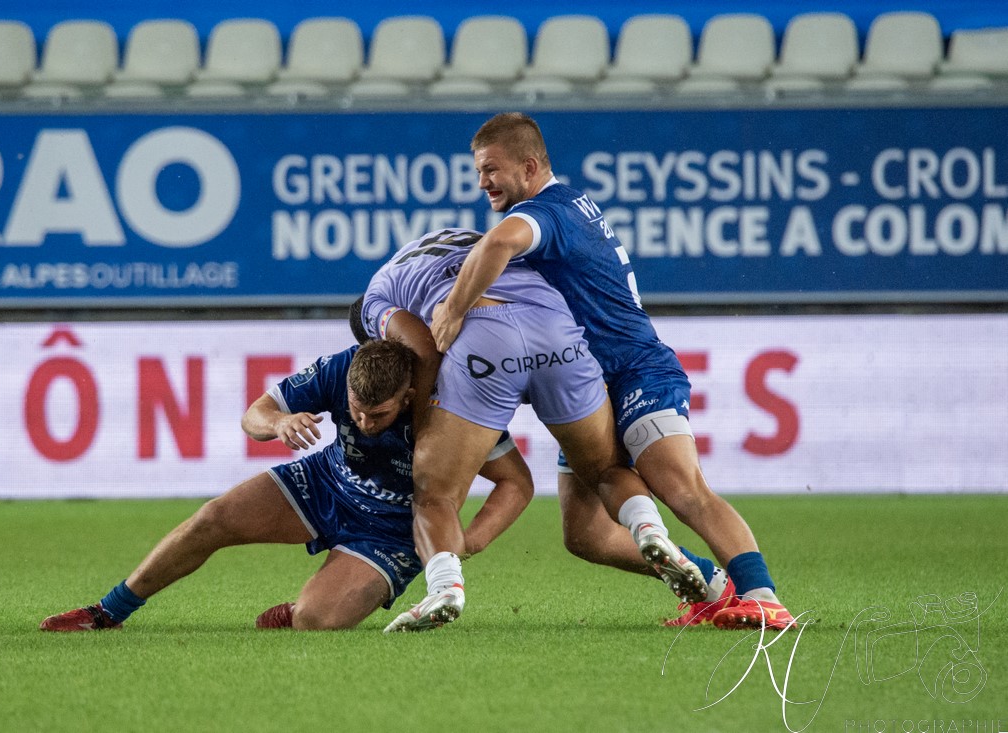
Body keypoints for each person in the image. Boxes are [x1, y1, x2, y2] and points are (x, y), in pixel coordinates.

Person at [430, 112, 796, 631]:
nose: (483, 182)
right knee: (585, 534)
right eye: (478, 171)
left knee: (681, 488)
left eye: (491, 169)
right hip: (585, 385)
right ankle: (712, 587)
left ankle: (763, 597)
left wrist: (453, 310)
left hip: (635, 371)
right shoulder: (568, 204)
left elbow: (496, 243)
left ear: (529, 167)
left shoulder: (546, 212)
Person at [39, 339, 534, 632]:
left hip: (395, 533)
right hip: (326, 481)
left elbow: (516, 483)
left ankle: (299, 611)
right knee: (213, 518)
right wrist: (278, 423)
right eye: (355, 409)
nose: (363, 422)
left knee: (317, 621)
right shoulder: (342, 367)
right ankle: (107, 612)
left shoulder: (456, 411)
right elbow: (254, 414)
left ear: (408, 397)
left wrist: (469, 541)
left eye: (378, 414)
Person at [360, 228, 707, 633]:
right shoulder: (464, 241)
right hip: (556, 330)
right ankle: (648, 527)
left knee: (436, 494)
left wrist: (425, 428)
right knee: (604, 470)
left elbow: (421, 346)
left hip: (483, 340)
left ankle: (444, 588)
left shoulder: (374, 299)